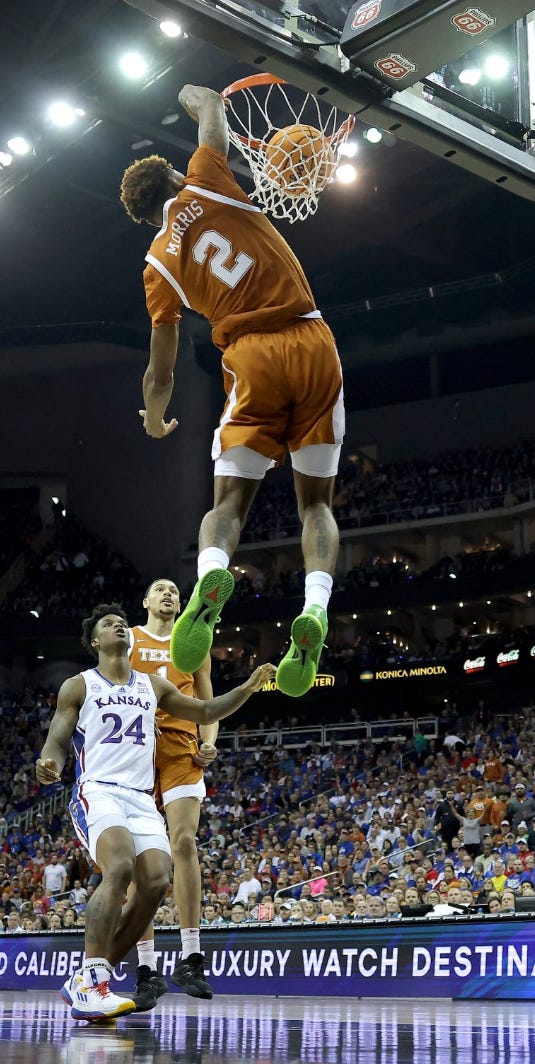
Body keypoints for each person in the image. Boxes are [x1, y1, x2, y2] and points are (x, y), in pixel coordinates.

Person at [120, 83, 344, 698]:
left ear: (145, 216)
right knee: (316, 504)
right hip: (311, 341)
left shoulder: (157, 267)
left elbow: (161, 373)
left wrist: (154, 419)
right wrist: (194, 95)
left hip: (250, 358)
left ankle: (212, 578)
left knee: (228, 506)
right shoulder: (204, 177)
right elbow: (212, 109)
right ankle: (316, 607)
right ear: (173, 175)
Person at [35, 602, 273, 1020]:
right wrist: (49, 762)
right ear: (96, 641)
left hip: (142, 797)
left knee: (157, 881)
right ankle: (92, 980)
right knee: (120, 867)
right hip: (99, 791)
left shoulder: (153, 685)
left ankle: (90, 979)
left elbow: (205, 711)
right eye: (109, 624)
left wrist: (248, 688)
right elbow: (58, 737)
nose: (119, 626)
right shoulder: (79, 685)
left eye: (122, 623)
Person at [128, 578, 217, 1006]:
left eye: (174, 591)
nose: (168, 594)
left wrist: (209, 740)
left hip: (182, 746)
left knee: (184, 842)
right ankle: (147, 969)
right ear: (146, 600)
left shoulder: (194, 641)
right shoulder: (128, 638)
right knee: (141, 860)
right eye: (159, 589)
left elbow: (207, 701)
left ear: (181, 604)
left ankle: (191, 956)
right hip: (136, 750)